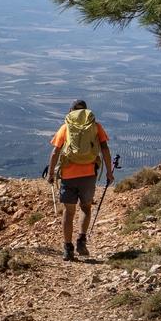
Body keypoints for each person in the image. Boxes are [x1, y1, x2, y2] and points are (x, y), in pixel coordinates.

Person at [47, 99, 114, 260]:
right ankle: (81, 240)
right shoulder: (96, 127)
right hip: (89, 173)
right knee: (85, 207)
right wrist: (109, 172)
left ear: (71, 111)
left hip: (68, 175)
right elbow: (105, 149)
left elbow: (55, 152)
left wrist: (50, 173)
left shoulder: (66, 127)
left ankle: (68, 248)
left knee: (69, 212)